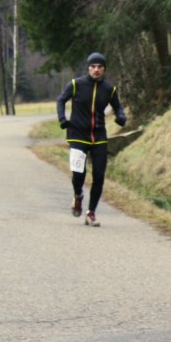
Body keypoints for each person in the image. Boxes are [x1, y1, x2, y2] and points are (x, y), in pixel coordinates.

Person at [56, 52, 127, 227]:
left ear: (104, 69)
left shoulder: (109, 89)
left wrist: (121, 116)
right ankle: (78, 195)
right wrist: (62, 119)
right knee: (78, 174)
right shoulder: (75, 84)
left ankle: (91, 213)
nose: (96, 70)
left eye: (100, 67)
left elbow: (118, 107)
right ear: (88, 68)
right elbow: (61, 100)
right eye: (93, 66)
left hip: (99, 137)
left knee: (99, 176)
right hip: (77, 135)